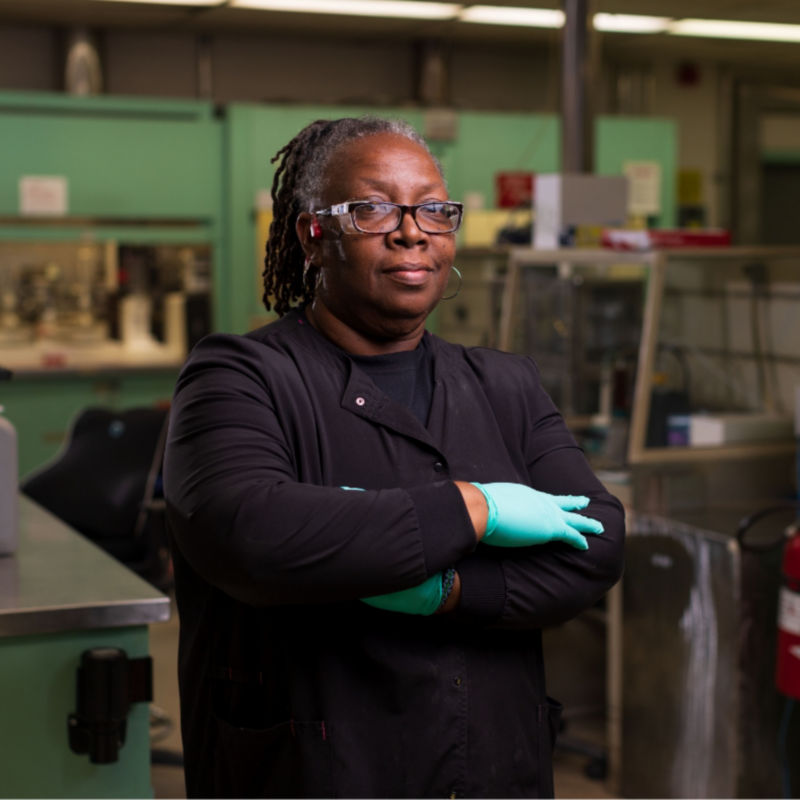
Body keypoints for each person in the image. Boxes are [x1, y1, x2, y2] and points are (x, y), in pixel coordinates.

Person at [163, 115, 625, 799]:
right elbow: (251, 532)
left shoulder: (505, 384)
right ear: (313, 236)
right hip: (321, 770)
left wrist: (447, 590)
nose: (412, 231)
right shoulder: (238, 376)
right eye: (373, 208)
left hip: (493, 766)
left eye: (434, 209)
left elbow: (598, 543)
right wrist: (476, 508)